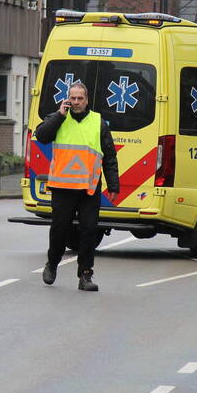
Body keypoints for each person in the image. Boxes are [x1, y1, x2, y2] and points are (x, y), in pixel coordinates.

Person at [35, 82, 120, 292]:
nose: (76, 102)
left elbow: (109, 155)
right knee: (60, 229)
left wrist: (113, 184)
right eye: (72, 98)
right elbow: (42, 136)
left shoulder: (98, 122)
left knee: (89, 231)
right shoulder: (59, 118)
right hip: (62, 187)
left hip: (88, 189)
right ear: (67, 99)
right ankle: (52, 264)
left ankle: (85, 275)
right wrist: (59, 115)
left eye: (80, 98)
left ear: (87, 100)